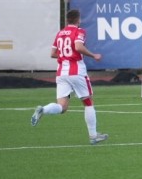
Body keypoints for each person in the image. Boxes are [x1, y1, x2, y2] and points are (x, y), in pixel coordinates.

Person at [30, 8, 108, 144]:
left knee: (62, 107)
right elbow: (78, 47)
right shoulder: (79, 31)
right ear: (78, 20)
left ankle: (44, 109)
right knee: (88, 102)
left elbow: (52, 54)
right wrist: (93, 55)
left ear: (67, 20)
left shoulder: (60, 33)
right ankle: (93, 136)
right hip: (77, 71)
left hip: (61, 73)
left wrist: (65, 56)